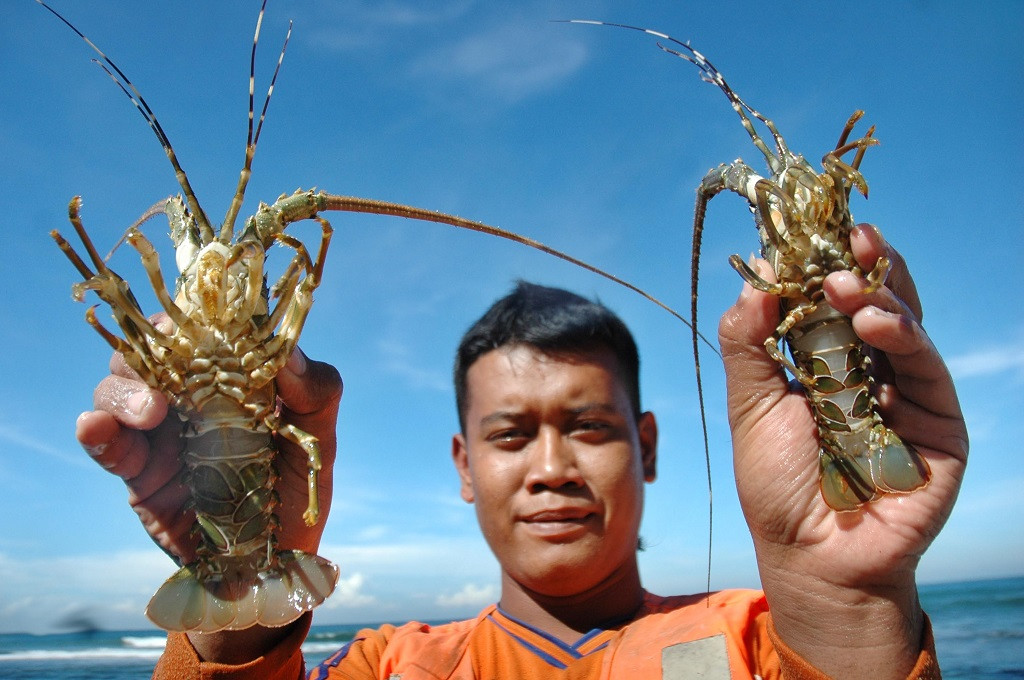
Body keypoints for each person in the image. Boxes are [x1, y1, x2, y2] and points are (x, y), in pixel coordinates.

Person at [76, 223, 966, 679]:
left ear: (646, 446)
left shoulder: (760, 642)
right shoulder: (387, 666)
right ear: (464, 466)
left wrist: (844, 595)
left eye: (589, 426)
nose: (552, 467)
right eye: (510, 434)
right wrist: (237, 613)